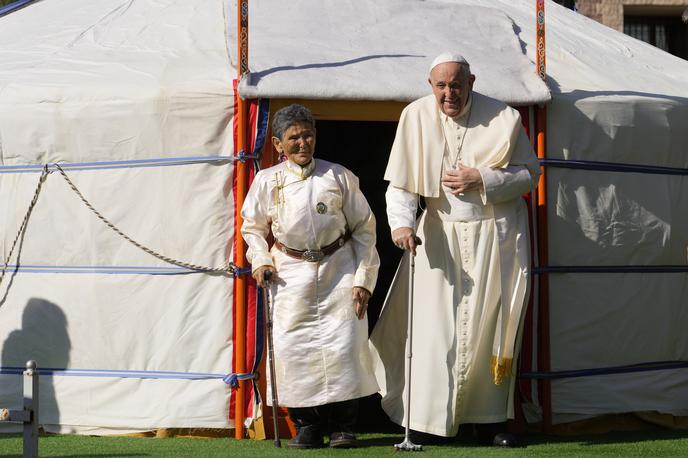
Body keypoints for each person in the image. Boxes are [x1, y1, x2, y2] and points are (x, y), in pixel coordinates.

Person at [369, 52, 540, 447]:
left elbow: (530, 174)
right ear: (430, 85)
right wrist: (401, 225)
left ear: (472, 81)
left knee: (488, 327)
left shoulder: (504, 118)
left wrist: (482, 177)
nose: (449, 93)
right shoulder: (414, 116)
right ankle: (429, 419)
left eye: (456, 85)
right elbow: (401, 184)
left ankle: (491, 421)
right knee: (433, 330)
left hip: (492, 236)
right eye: (441, 86)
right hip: (437, 235)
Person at [241, 104, 380, 449]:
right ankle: (307, 426)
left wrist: (363, 278)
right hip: (289, 274)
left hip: (339, 270)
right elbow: (252, 228)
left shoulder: (339, 176)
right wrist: (260, 260)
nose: (302, 143)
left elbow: (365, 229)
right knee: (294, 349)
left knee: (344, 347)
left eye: (308, 135)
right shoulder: (266, 181)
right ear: (277, 143)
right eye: (294, 137)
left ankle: (344, 426)